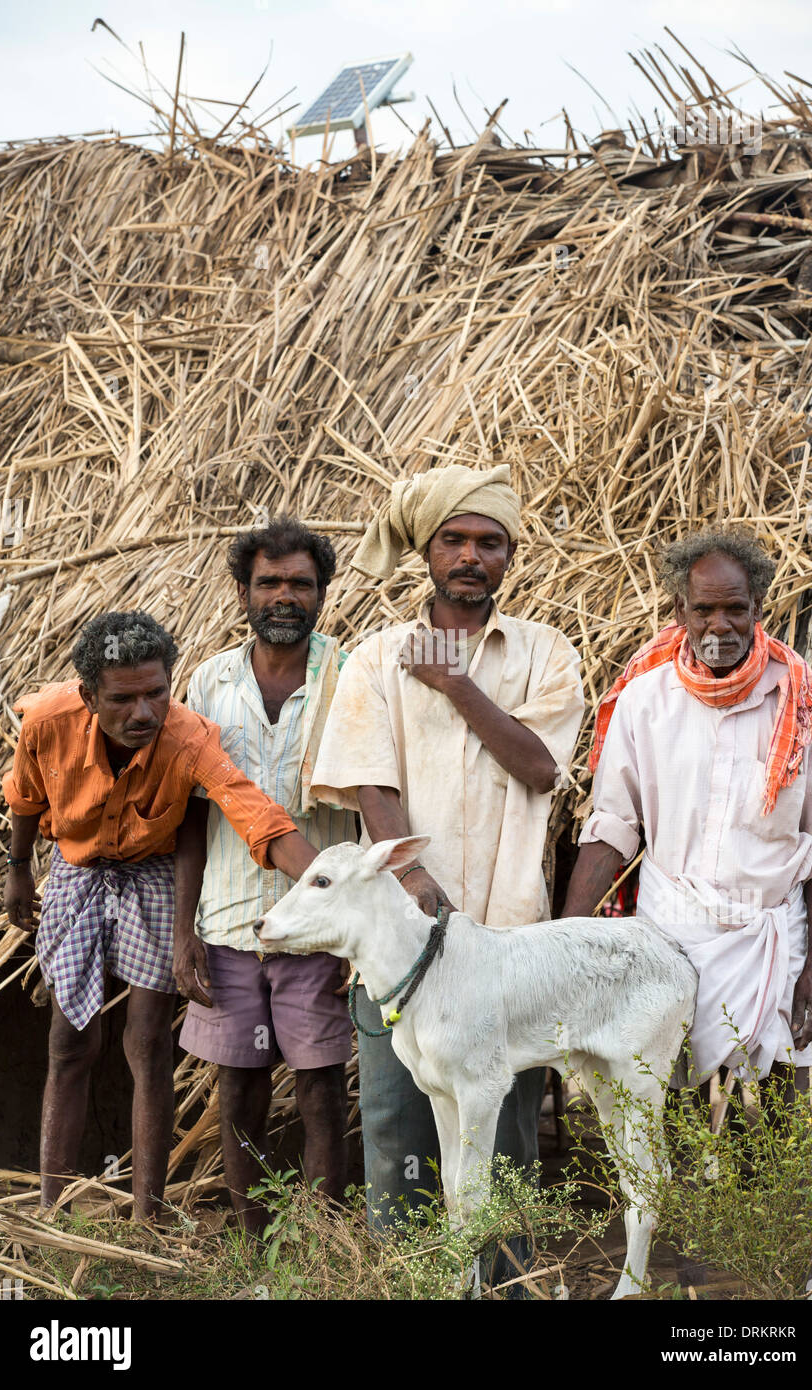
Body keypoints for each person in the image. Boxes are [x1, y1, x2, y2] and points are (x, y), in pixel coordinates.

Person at [310, 463, 585, 1229]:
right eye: (454, 540)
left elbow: (539, 768)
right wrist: (415, 878)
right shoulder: (375, 658)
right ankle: (406, 1280)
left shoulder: (547, 654)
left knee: (505, 1141)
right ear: (426, 553)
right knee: (399, 1128)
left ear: (510, 556)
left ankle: (504, 1286)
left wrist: (457, 684)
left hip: (508, 946)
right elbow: (370, 782)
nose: (471, 556)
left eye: (489, 542)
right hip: (401, 941)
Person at [2, 610, 316, 1219]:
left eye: (156, 693)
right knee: (69, 1043)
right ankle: (51, 1207)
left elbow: (254, 812)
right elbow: (25, 795)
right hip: (80, 870)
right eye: (122, 699)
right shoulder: (47, 720)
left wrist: (334, 885)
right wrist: (17, 866)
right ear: (89, 695)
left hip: (153, 873)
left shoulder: (190, 736)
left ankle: (147, 1212)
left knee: (147, 1041)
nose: (142, 713)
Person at [563, 527, 812, 1098]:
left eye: (735, 609)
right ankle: (682, 1193)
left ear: (758, 607)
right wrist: (564, 937)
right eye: (705, 610)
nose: (721, 626)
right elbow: (613, 826)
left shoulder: (804, 705)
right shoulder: (645, 700)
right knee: (668, 1107)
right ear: (680, 611)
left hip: (772, 939)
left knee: (772, 1120)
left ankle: (768, 1193)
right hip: (670, 934)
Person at [175, 520, 357, 1233]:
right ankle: (254, 1238)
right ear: (242, 591)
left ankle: (320, 1241)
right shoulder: (208, 682)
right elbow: (191, 815)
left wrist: (358, 938)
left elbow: (376, 805)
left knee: (319, 1090)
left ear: (323, 592)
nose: (285, 598)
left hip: (320, 930)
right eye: (269, 584)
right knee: (240, 1088)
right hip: (227, 922)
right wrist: (185, 930)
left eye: (300, 585)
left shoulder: (352, 676)